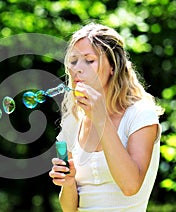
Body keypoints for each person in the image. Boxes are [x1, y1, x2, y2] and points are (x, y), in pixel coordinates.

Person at [49, 22, 164, 211]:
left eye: (89, 60)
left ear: (113, 66)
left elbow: (130, 186)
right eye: (73, 60)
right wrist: (68, 183)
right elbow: (69, 208)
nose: (77, 68)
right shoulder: (73, 120)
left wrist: (100, 117)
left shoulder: (140, 115)